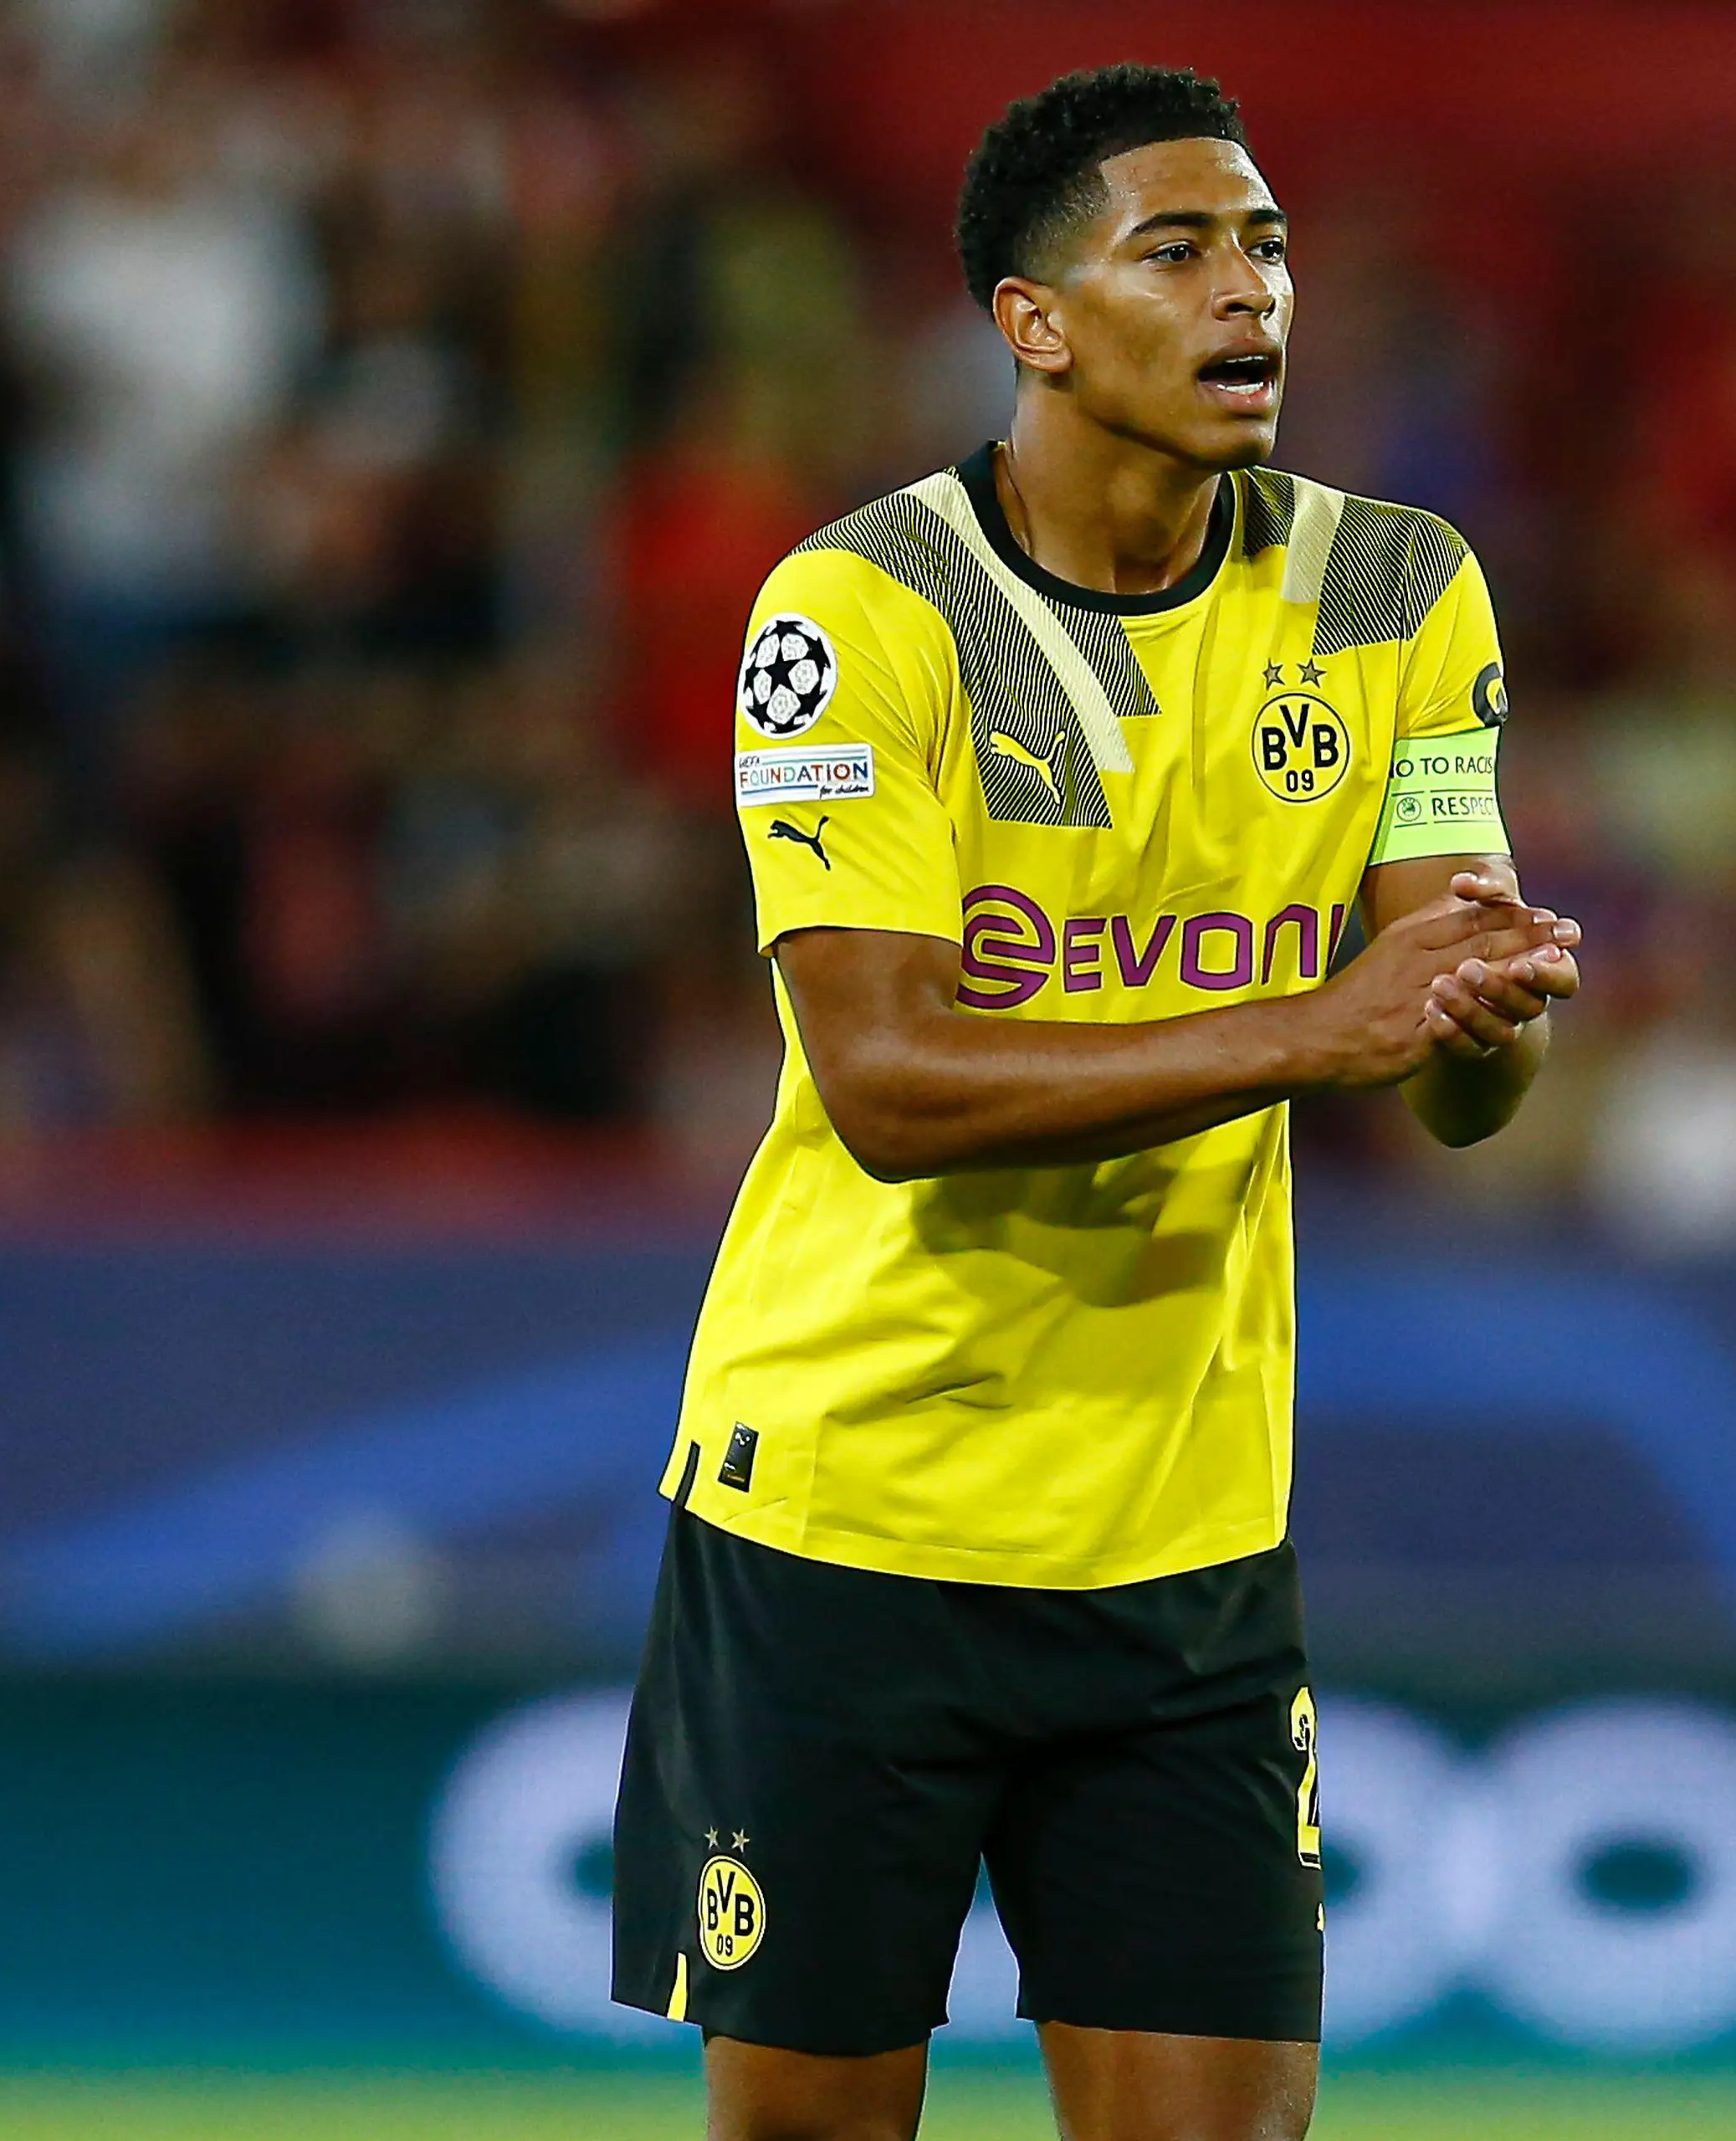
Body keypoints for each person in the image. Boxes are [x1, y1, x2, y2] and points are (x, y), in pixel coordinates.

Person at [610, 65, 1578, 2141]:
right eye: (1182, 249)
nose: (1256, 294)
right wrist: (1327, 1026)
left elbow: (1455, 1081)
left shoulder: (1400, 591)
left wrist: (1480, 1018)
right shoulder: (858, 618)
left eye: (1273, 248)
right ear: (1033, 321)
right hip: (850, 1516)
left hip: (1185, 1542)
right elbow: (882, 1078)